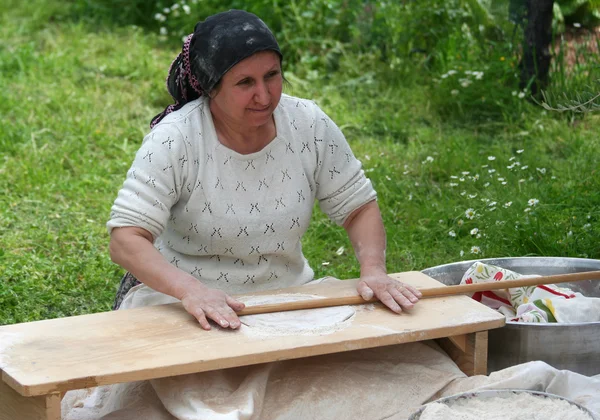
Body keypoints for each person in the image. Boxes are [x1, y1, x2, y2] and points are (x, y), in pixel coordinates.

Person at [108, 9, 421, 331]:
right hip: (185, 305)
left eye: (271, 75)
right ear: (211, 87)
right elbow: (125, 239)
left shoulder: (307, 123)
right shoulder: (176, 139)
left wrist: (373, 271)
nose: (264, 95)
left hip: (287, 297)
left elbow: (357, 207)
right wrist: (191, 291)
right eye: (245, 82)